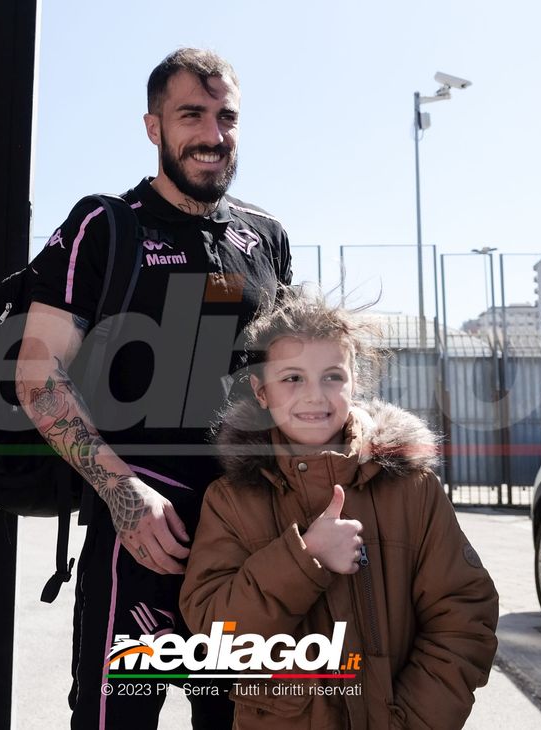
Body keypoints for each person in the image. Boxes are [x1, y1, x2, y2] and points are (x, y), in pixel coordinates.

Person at [16, 48, 291, 728]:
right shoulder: (106, 225)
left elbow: (289, 381)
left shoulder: (266, 238)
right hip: (140, 536)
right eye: (191, 115)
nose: (213, 135)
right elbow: (36, 375)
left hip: (246, 539)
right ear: (153, 127)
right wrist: (123, 492)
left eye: (227, 117)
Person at [179, 290, 499, 729]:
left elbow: (464, 618)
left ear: (355, 382)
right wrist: (303, 558)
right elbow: (217, 632)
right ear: (261, 392)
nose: (315, 395)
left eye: (332, 376)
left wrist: (412, 721)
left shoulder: (413, 488)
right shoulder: (231, 500)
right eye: (293, 378)